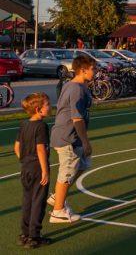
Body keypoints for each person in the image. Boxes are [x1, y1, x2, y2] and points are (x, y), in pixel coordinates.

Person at [48, 54, 95, 223]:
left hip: (74, 137)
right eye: (92, 69)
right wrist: (86, 142)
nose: (95, 72)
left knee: (83, 164)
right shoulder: (75, 89)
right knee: (67, 171)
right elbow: (77, 119)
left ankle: (57, 196)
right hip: (67, 137)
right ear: (83, 70)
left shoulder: (79, 86)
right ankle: (57, 212)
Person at [14, 93, 52, 249]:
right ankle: (34, 237)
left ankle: (24, 234)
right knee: (38, 201)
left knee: (27, 200)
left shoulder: (24, 124)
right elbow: (40, 149)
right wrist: (45, 170)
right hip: (37, 168)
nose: (50, 107)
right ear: (38, 109)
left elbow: (17, 147)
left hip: (26, 168)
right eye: (47, 105)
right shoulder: (41, 126)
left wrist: (24, 161)